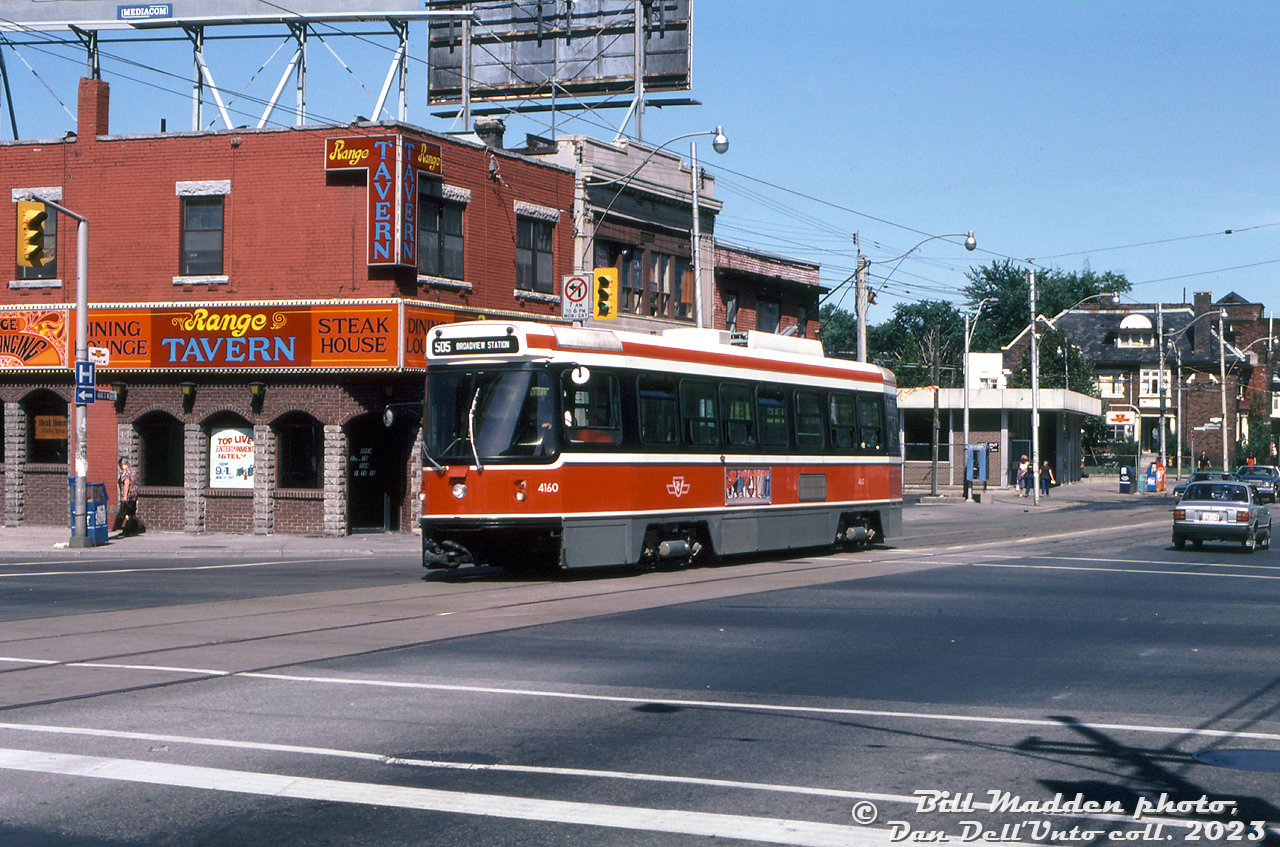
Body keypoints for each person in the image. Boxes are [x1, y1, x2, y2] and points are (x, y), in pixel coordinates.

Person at [112, 456, 141, 537]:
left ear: (122, 464)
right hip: (134, 495)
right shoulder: (133, 471)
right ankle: (134, 528)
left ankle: (126, 529)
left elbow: (126, 483)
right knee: (132, 512)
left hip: (128, 496)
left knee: (125, 513)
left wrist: (124, 496)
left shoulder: (126, 472)